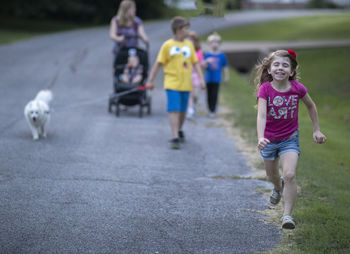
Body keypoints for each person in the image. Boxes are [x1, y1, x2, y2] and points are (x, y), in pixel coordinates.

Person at [256, 49, 327, 229]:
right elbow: (262, 115)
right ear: (270, 70)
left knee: (289, 174)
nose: (281, 68)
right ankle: (277, 188)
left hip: (289, 138)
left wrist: (316, 130)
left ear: (292, 71)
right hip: (269, 141)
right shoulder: (265, 89)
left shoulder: (297, 89)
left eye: (285, 65)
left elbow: (311, 106)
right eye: (277, 64)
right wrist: (260, 137)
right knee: (273, 176)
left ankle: (287, 216)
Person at [146, 16, 206, 149]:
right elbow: (158, 64)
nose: (188, 31)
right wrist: (150, 80)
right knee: (173, 109)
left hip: (186, 84)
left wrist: (201, 79)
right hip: (172, 83)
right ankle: (174, 136)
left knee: (183, 111)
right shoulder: (167, 45)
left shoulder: (189, 45)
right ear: (178, 30)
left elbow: (195, 64)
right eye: (186, 28)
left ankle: (178, 129)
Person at [202, 32, 229, 118]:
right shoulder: (207, 54)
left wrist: (226, 77)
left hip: (217, 79)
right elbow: (202, 65)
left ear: (219, 44)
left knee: (215, 94)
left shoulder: (222, 55)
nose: (214, 44)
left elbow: (225, 67)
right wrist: (206, 61)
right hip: (208, 78)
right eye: (212, 42)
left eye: (216, 42)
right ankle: (209, 109)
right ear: (209, 44)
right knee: (209, 95)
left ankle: (213, 110)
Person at [186, 31, 204, 119]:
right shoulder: (185, 51)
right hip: (187, 75)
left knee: (195, 95)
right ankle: (190, 109)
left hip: (196, 75)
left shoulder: (198, 52)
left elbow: (200, 63)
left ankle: (194, 105)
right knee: (189, 94)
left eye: (191, 40)